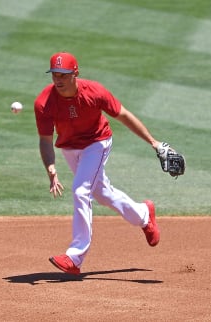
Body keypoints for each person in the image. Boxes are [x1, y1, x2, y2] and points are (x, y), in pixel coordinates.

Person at [34, 52, 162, 275]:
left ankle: (75, 257)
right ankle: (143, 214)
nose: (58, 79)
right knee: (102, 193)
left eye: (63, 74)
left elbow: (123, 115)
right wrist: (51, 169)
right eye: (55, 74)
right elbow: (45, 140)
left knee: (81, 190)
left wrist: (153, 142)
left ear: (75, 73)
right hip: (69, 147)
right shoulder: (44, 102)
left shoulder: (95, 92)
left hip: (97, 142)